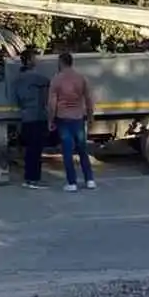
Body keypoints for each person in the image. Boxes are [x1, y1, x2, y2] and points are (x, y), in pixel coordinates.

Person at [48, 50, 96, 193]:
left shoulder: (57, 79)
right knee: (82, 150)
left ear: (61, 63)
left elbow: (52, 103)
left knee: (67, 152)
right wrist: (91, 116)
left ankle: (72, 182)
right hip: (78, 118)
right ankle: (90, 180)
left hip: (63, 118)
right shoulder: (81, 78)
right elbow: (88, 99)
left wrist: (50, 120)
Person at [12, 45, 52, 189]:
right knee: (36, 150)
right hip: (37, 116)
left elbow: (16, 99)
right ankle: (34, 180)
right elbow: (49, 82)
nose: (37, 60)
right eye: (34, 58)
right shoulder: (35, 77)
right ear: (29, 61)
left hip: (25, 117)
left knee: (30, 150)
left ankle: (29, 178)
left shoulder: (17, 79)